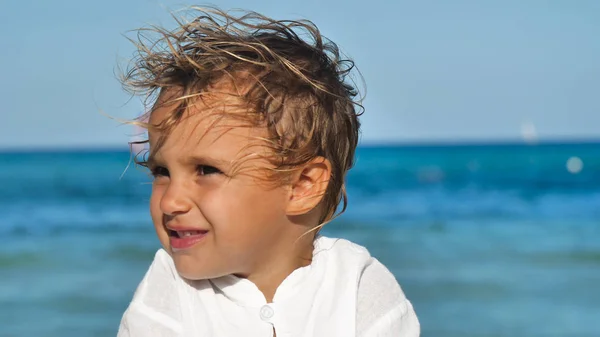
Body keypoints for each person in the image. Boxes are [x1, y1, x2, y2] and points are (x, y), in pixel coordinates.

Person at [117, 7, 419, 337]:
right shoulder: (168, 293)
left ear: (302, 185)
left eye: (206, 170)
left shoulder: (357, 287)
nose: (171, 201)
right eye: (161, 171)